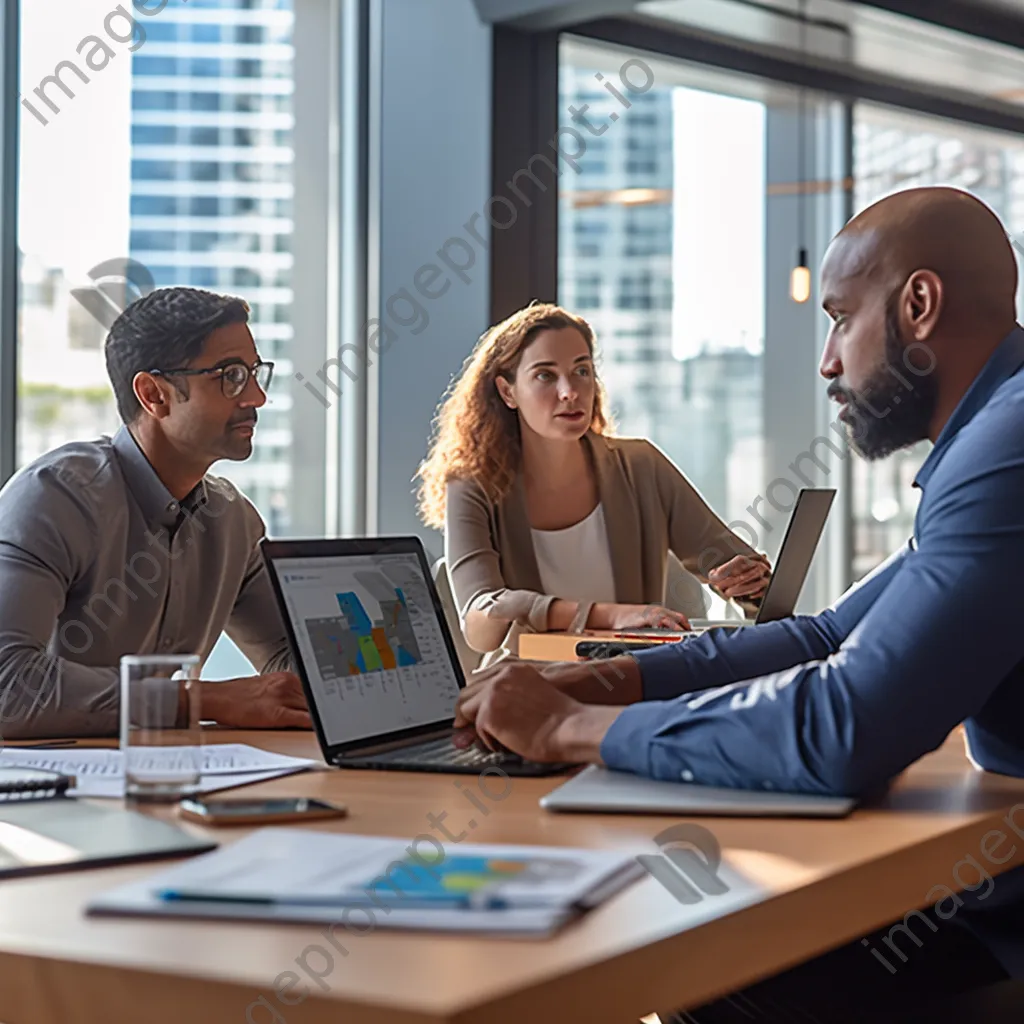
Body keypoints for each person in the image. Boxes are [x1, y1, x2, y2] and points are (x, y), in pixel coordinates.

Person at [450, 188, 1024, 1020]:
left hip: (1008, 925)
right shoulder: (996, 437)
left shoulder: (1003, 454)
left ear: (920, 305)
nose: (828, 361)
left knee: (703, 956)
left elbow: (844, 729)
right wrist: (613, 685)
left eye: (839, 319)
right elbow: (828, 634)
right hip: (1001, 897)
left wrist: (566, 729)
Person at [0, 287, 311, 740]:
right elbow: (8, 686)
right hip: (47, 796)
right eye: (231, 376)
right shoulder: (54, 499)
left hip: (164, 777)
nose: (257, 397)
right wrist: (203, 701)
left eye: (255, 373)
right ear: (154, 394)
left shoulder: (233, 521)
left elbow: (292, 663)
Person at [416, 303, 771, 664]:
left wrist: (749, 584)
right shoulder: (473, 485)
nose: (570, 391)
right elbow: (481, 621)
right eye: (545, 375)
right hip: (527, 689)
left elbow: (739, 572)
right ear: (508, 392)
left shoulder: (640, 467)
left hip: (631, 684)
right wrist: (608, 615)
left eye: (581, 371)